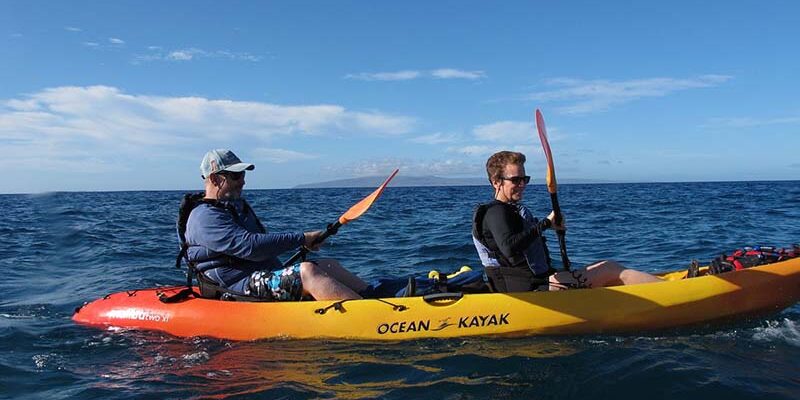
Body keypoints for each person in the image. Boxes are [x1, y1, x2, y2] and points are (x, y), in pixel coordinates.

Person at [183, 149, 369, 301]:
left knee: (328, 265)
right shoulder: (204, 217)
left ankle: (379, 297)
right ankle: (369, 318)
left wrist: (300, 246)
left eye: (242, 174)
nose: (243, 181)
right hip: (235, 286)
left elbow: (262, 246)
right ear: (215, 179)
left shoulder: (235, 208)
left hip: (259, 275)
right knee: (307, 272)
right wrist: (302, 238)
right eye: (236, 175)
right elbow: (251, 247)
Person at [472, 151, 662, 292]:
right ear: (496, 182)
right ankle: (676, 291)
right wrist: (545, 224)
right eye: (516, 180)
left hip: (535, 283)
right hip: (530, 289)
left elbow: (522, 243)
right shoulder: (496, 212)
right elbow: (509, 247)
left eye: (525, 179)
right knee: (609, 269)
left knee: (604, 268)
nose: (522, 185)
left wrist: (551, 226)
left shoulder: (510, 211)